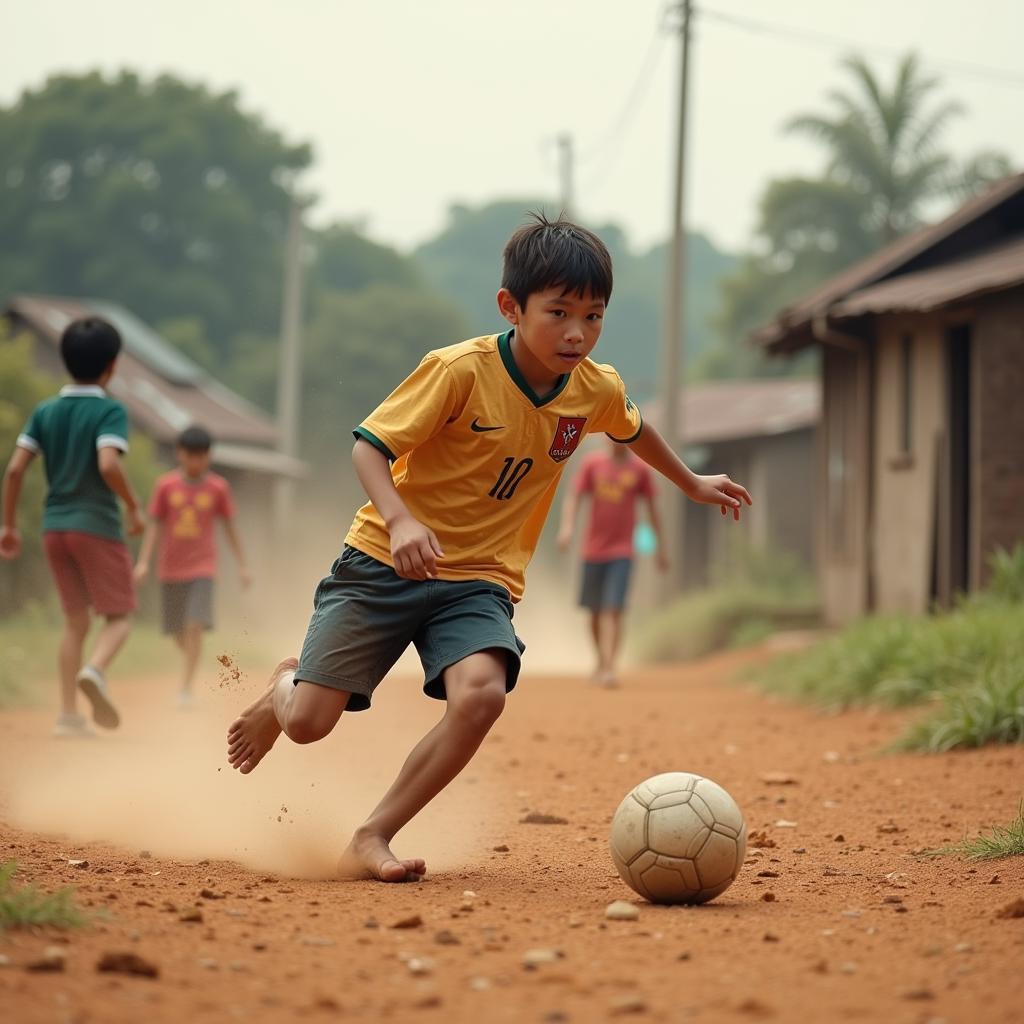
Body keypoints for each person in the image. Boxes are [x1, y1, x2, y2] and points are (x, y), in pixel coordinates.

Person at [226, 213, 751, 883]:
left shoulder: (594, 387)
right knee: (308, 724)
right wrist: (403, 520)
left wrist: (693, 482)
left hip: (478, 580)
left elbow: (633, 429)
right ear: (511, 306)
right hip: (383, 563)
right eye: (559, 313)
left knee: (481, 696)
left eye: (593, 317)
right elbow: (369, 447)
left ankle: (373, 832)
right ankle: (283, 689)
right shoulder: (458, 371)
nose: (576, 333)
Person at [0, 316, 143, 736]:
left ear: (64, 362)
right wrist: (134, 506)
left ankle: (67, 717)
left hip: (53, 528)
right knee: (119, 617)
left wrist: (8, 526)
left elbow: (14, 471)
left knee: (75, 621)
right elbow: (108, 462)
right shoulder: (109, 409)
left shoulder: (46, 411)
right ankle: (95, 671)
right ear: (112, 366)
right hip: (95, 525)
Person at [134, 426, 251, 708]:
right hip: (170, 570)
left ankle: (185, 689)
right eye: (190, 455)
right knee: (177, 632)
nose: (195, 462)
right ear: (179, 454)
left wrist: (243, 566)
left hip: (203, 568)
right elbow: (154, 526)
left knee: (194, 625)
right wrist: (143, 562)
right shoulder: (165, 486)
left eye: (201, 456)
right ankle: (194, 661)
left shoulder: (218, 488)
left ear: (208, 456)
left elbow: (229, 528)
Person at [558, 436, 667, 687]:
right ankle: (600, 659)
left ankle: (609, 666)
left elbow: (652, 509)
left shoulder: (640, 469)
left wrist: (660, 548)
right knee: (594, 612)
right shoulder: (592, 464)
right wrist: (567, 528)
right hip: (592, 550)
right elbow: (575, 497)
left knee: (614, 608)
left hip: (623, 550)